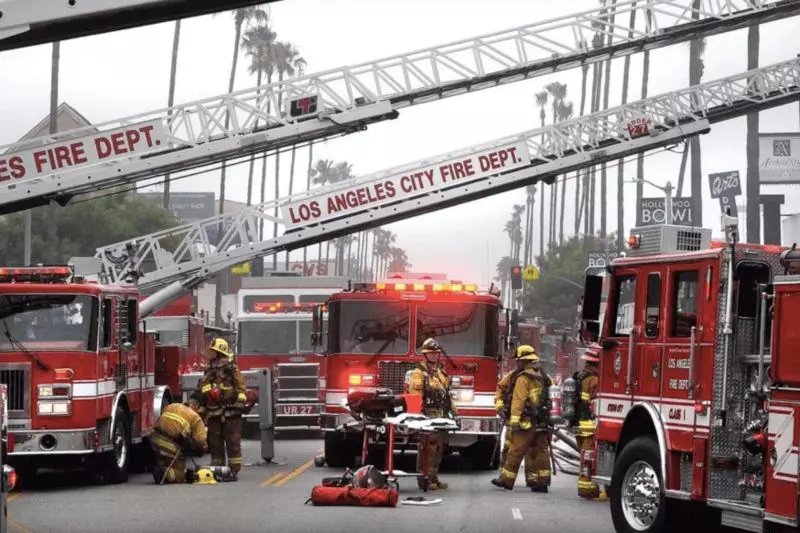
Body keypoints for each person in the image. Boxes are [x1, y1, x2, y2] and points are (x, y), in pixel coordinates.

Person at [491, 345, 552, 492]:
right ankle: (542, 483)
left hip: (525, 423)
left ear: (524, 361)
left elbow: (518, 401)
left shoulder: (523, 378)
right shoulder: (544, 376)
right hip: (542, 422)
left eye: (518, 361)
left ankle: (506, 480)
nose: (517, 363)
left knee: (515, 450)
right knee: (541, 451)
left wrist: (514, 422)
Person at [406, 337, 457, 491]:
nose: (434, 356)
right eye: (431, 353)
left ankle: (433, 477)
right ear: (425, 355)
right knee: (428, 449)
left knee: (439, 449)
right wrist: (417, 416)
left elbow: (447, 394)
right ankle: (425, 480)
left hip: (441, 417)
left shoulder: (441, 372)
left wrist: (454, 413)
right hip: (427, 417)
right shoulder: (419, 373)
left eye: (436, 353)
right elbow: (415, 396)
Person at [195, 337, 247, 478]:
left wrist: (239, 403)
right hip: (213, 413)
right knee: (214, 443)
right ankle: (218, 468)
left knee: (233, 442)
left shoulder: (232, 370)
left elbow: (241, 388)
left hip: (231, 412)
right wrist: (203, 405)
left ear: (220, 352)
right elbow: (202, 390)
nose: (210, 354)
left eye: (213, 351)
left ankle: (234, 469)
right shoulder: (209, 371)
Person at [150, 396, 207, 484]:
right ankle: (164, 474)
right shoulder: (195, 417)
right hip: (170, 446)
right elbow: (200, 442)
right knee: (180, 474)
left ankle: (162, 464)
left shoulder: (171, 406)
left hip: (154, 440)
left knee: (164, 456)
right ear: (197, 407)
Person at [575, 343, 607, 500]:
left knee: (584, 456)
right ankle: (587, 489)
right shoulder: (594, 380)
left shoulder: (580, 377)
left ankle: (588, 487)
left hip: (580, 425)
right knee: (588, 458)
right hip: (589, 426)